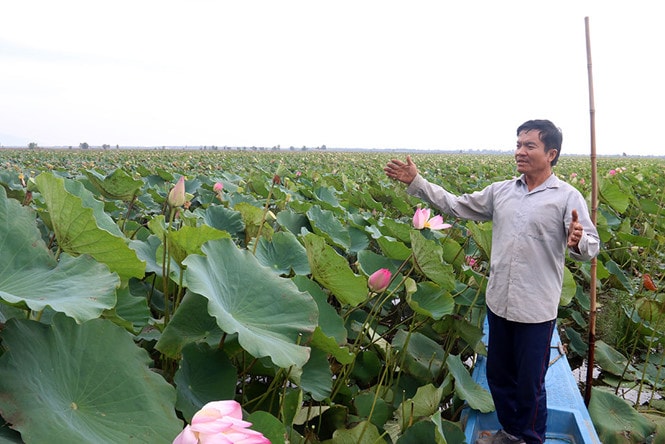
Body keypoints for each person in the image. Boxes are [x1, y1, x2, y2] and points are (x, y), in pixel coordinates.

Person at [384, 119, 600, 444]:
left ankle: (529, 438)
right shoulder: (501, 192)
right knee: (499, 377)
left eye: (530, 146)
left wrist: (577, 241)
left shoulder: (567, 197)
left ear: (551, 153)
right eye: (518, 144)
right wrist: (418, 182)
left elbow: (591, 246)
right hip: (499, 303)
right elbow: (456, 205)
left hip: (535, 310)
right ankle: (511, 432)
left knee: (529, 383)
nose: (520, 151)